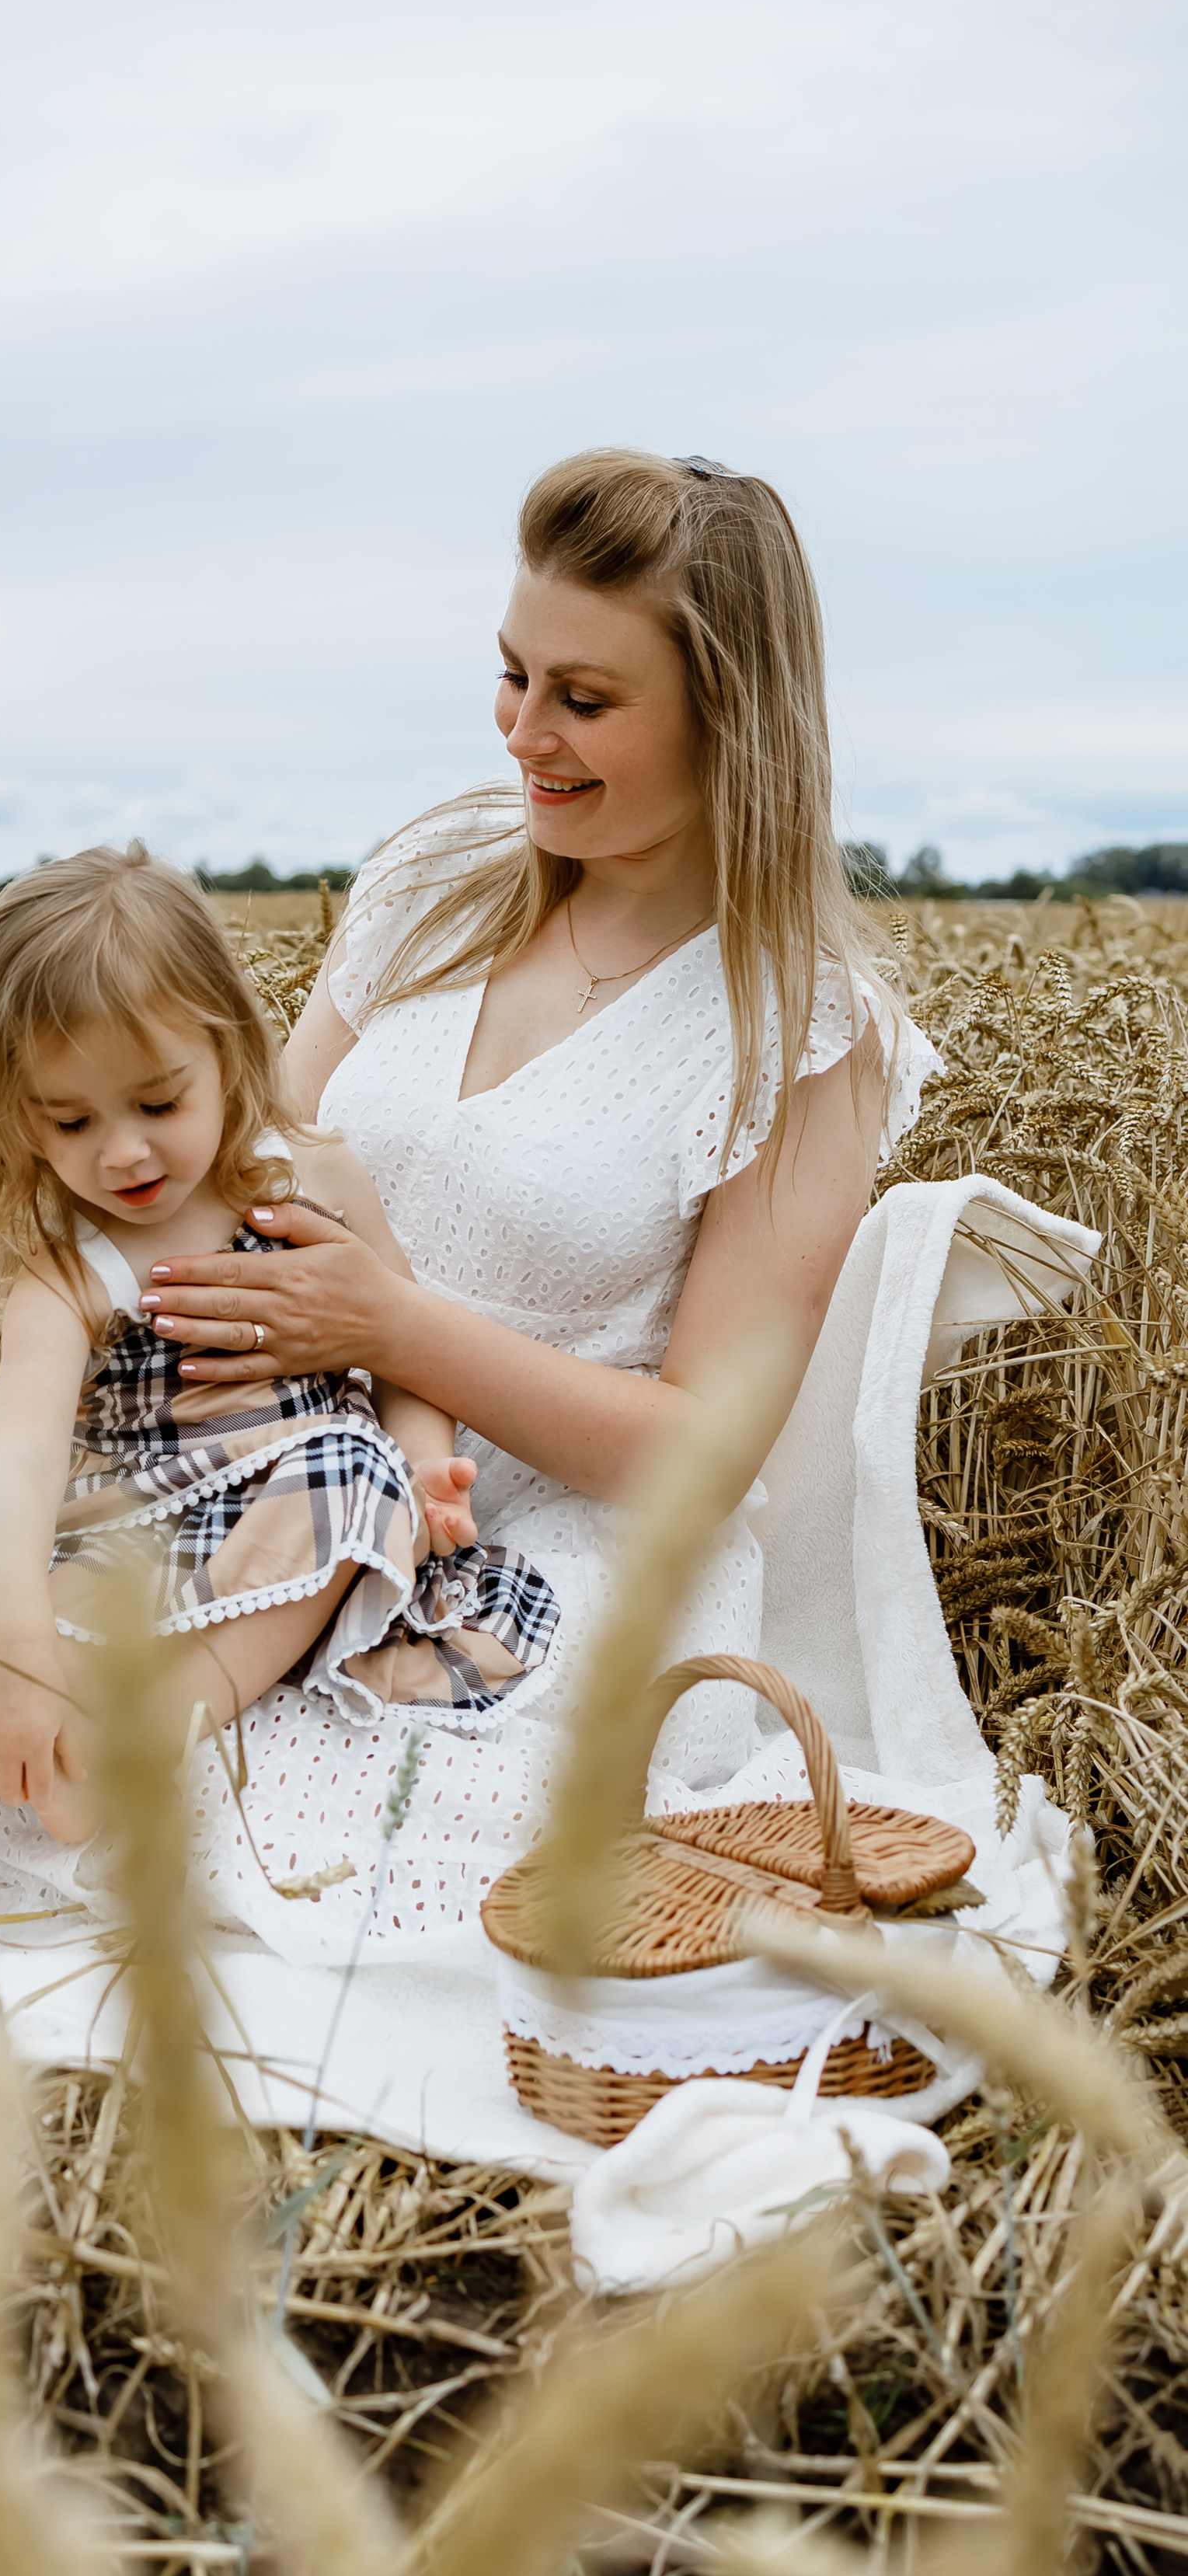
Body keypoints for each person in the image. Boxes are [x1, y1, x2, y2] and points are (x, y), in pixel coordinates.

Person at [125, 448, 941, 1957]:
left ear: (729, 716)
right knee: (24, 1720)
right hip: (298, 1458)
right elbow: (262, 1151)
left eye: (584, 699)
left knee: (362, 1816)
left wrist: (396, 1329)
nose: (523, 734)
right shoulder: (440, 869)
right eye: (511, 676)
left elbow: (699, 1453)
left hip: (559, 1553)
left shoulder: (801, 1032)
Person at [0, 845, 557, 1930]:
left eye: (156, 1101)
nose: (123, 1153)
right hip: (133, 1530)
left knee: (356, 1466)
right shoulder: (68, 1264)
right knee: (10, 1675)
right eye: (70, 1123)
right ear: (16, 1113)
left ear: (224, 1050)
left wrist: (431, 1473)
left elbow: (400, 1353)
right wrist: (16, 1641)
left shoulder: (310, 1178)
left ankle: (135, 1749)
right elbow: (22, 1467)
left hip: (299, 1534)